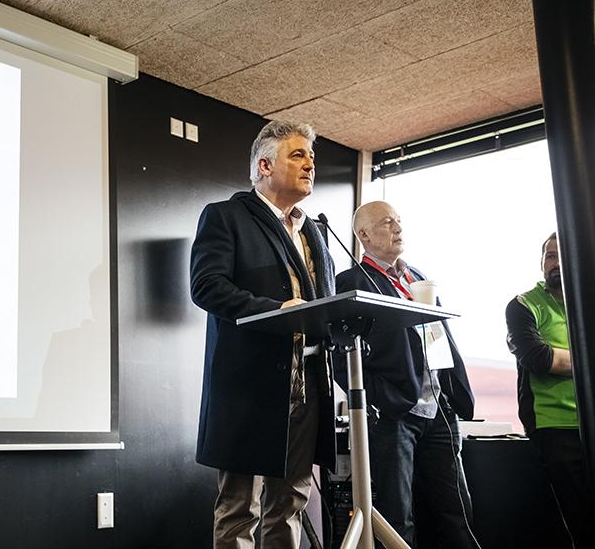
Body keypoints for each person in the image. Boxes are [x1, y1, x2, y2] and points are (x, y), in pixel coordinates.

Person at [190, 120, 336, 548]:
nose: (309, 164)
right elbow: (207, 287)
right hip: (249, 387)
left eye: (311, 157)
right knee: (240, 509)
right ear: (264, 166)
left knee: (290, 504)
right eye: (298, 155)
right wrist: (276, 311)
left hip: (307, 385)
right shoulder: (226, 216)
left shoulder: (313, 231)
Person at [335, 200, 476, 548]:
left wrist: (454, 390)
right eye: (387, 223)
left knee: (457, 511)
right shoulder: (351, 281)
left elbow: (439, 335)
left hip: (439, 409)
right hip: (395, 414)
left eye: (398, 221)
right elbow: (340, 359)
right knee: (397, 517)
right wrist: (383, 399)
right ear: (364, 235)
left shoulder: (418, 277)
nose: (398, 228)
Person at [505, 232, 595, 548]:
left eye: (563, 255)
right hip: (555, 427)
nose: (556, 263)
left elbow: (557, 358)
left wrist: (566, 358)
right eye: (550, 256)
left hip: (590, 424)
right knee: (580, 523)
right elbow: (539, 358)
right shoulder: (524, 305)